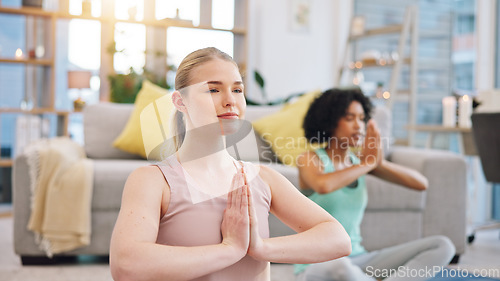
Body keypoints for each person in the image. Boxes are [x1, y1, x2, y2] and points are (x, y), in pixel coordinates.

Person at [109, 47, 351, 281]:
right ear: (180, 101)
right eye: (213, 90)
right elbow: (126, 266)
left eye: (237, 90)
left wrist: (260, 247)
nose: (230, 101)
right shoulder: (152, 181)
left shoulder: (262, 178)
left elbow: (338, 239)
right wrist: (230, 249)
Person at [295, 88, 456, 281]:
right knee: (340, 266)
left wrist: (378, 163)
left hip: (360, 258)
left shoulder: (361, 164)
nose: (358, 126)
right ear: (329, 122)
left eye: (362, 119)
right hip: (318, 264)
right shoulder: (310, 159)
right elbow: (323, 185)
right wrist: (367, 163)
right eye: (349, 118)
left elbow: (421, 183)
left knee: (442, 245)